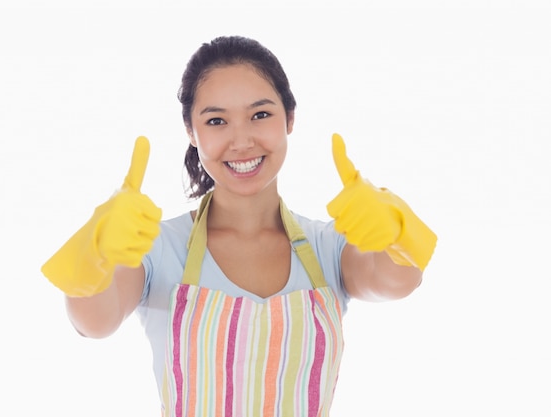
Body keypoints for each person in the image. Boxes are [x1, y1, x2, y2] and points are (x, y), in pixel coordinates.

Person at [41, 35, 437, 416]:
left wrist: (397, 232)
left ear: (290, 119)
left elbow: (397, 281)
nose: (241, 140)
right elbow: (93, 322)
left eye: (260, 115)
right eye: (216, 121)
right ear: (191, 133)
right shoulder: (156, 246)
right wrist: (93, 254)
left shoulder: (327, 247)